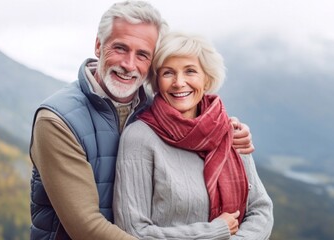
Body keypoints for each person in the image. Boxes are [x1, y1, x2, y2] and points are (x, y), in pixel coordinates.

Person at [29, 1, 254, 239]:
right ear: (98, 45)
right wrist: (211, 233)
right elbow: (86, 228)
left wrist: (229, 129)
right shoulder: (57, 121)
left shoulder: (154, 108)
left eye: (142, 55)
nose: (129, 64)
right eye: (120, 48)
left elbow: (197, 122)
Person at [113, 32, 273, 240]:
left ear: (206, 79)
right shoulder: (139, 138)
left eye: (190, 71)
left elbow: (260, 209)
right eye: (168, 73)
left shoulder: (228, 130)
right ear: (157, 81)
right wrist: (214, 232)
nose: (179, 83)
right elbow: (133, 231)